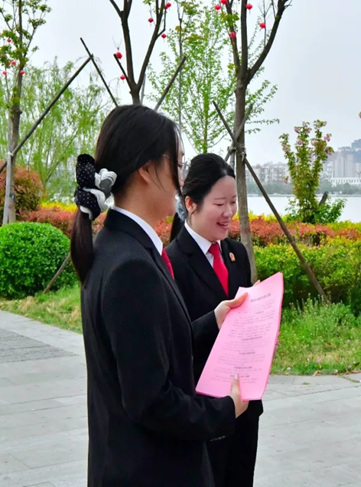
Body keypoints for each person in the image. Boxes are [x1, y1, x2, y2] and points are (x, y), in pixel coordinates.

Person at [70, 105, 249, 486]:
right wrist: (224, 410)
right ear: (147, 170)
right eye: (177, 165)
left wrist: (213, 319)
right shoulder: (132, 267)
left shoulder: (117, 246)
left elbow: (151, 353)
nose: (182, 180)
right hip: (152, 471)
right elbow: (152, 401)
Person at [166, 153, 262, 487]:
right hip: (201, 411)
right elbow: (171, 342)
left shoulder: (237, 254)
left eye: (233, 202)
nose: (229, 213)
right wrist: (214, 320)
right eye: (220, 204)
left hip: (244, 406)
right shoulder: (171, 262)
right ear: (190, 204)